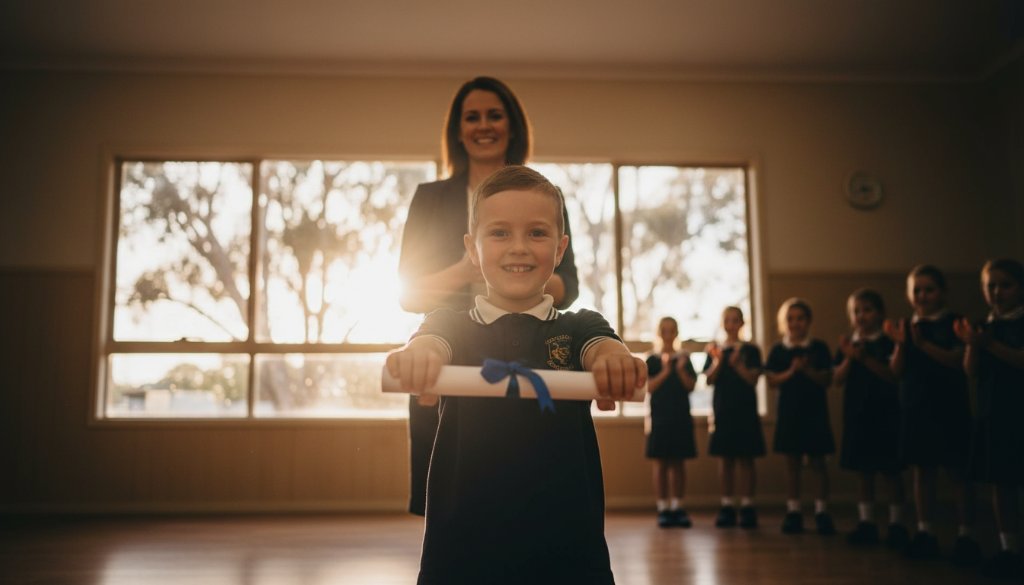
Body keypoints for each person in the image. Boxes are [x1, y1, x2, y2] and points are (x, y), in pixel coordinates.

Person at [386, 165, 644, 585]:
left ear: (560, 250)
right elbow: (430, 343)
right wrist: (420, 356)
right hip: (464, 540)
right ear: (473, 250)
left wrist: (614, 359)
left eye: (537, 233)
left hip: (566, 540)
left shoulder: (579, 326)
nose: (519, 247)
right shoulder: (451, 324)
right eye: (500, 233)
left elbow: (604, 349)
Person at [398, 76, 579, 516]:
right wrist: (471, 266)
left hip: (528, 351)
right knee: (450, 499)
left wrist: (516, 274)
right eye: (472, 117)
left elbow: (567, 286)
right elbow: (410, 291)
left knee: (532, 498)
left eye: (494, 115)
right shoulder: (431, 198)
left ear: (512, 125)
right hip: (447, 351)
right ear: (458, 131)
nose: (484, 125)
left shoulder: (546, 195)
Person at [885, 264, 980, 564]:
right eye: (917, 291)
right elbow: (896, 371)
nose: (922, 296)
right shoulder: (905, 325)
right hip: (915, 406)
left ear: (942, 292)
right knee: (921, 472)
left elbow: (956, 361)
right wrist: (902, 345)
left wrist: (923, 344)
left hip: (949, 406)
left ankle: (967, 535)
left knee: (958, 473)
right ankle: (925, 531)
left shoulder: (954, 322)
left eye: (929, 289)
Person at [954, 259, 1024, 579]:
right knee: (1001, 482)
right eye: (990, 286)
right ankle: (1008, 547)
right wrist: (973, 346)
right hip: (991, 410)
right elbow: (971, 370)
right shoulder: (984, 325)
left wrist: (989, 344)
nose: (997, 292)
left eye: (1005, 285)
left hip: (1018, 410)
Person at [833, 289, 908, 548]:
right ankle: (867, 523)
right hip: (857, 416)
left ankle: (897, 524)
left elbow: (892, 375)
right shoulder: (848, 344)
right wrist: (850, 358)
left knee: (891, 472)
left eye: (867, 310)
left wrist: (863, 359)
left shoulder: (888, 341)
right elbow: (837, 379)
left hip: (886, 414)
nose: (861, 316)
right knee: (863, 473)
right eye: (856, 311)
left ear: (880, 313)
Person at [764, 297, 836, 535]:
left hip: (815, 412)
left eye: (800, 318)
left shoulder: (819, 348)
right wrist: (792, 371)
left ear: (808, 321)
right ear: (784, 323)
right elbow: (772, 381)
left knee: (818, 464)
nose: (795, 323)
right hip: (789, 413)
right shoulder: (778, 350)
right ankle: (793, 511)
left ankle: (821, 511)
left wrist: (807, 370)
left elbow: (827, 379)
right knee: (792, 464)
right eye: (790, 319)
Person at [704, 306, 766, 529]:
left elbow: (753, 380)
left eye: (735, 320)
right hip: (723, 412)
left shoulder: (751, 350)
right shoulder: (715, 350)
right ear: (723, 324)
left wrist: (738, 364)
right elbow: (708, 380)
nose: (731, 324)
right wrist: (719, 362)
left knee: (746, 459)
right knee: (725, 460)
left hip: (746, 412)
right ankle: (727, 505)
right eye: (727, 320)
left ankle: (748, 506)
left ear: (742, 323)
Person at [645, 316, 697, 528]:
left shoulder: (684, 358)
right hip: (659, 419)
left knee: (678, 462)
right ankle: (663, 508)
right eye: (664, 330)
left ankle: (677, 506)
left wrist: (680, 369)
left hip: (680, 417)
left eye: (672, 330)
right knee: (660, 463)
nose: (668, 334)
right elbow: (649, 387)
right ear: (659, 333)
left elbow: (690, 386)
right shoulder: (652, 360)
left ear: (677, 333)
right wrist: (666, 370)